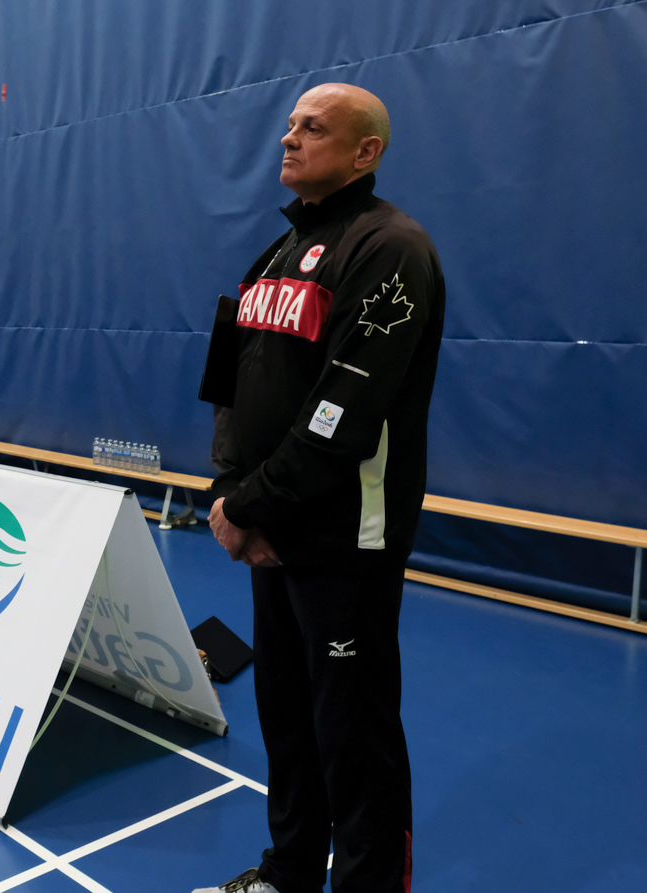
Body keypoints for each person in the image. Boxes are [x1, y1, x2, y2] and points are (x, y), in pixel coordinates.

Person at [196, 83, 444, 893]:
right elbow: (227, 384)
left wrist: (249, 504)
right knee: (288, 719)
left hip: (346, 541)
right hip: (273, 533)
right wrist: (232, 490)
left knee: (354, 734)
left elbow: (344, 410)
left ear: (366, 151)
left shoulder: (391, 249)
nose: (289, 140)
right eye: (290, 126)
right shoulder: (269, 257)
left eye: (313, 128)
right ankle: (290, 873)